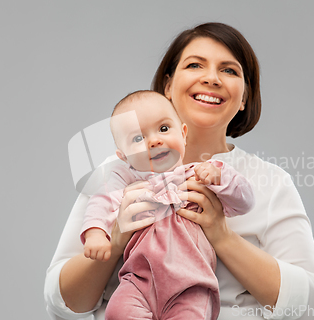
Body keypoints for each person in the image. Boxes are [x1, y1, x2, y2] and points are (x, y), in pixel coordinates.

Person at [45, 22, 314, 320]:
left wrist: (222, 236)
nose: (211, 78)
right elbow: (62, 305)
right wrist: (115, 242)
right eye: (195, 65)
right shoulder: (118, 171)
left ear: (244, 97)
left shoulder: (269, 182)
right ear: (167, 86)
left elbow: (311, 308)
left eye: (229, 70)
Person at [81, 90, 254, 319]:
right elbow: (101, 201)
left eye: (163, 129)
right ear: (124, 157)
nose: (155, 141)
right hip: (137, 282)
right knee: (117, 312)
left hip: (191, 285)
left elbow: (244, 202)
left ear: (183, 134)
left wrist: (219, 177)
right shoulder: (128, 185)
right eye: (138, 138)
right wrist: (95, 234)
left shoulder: (199, 175)